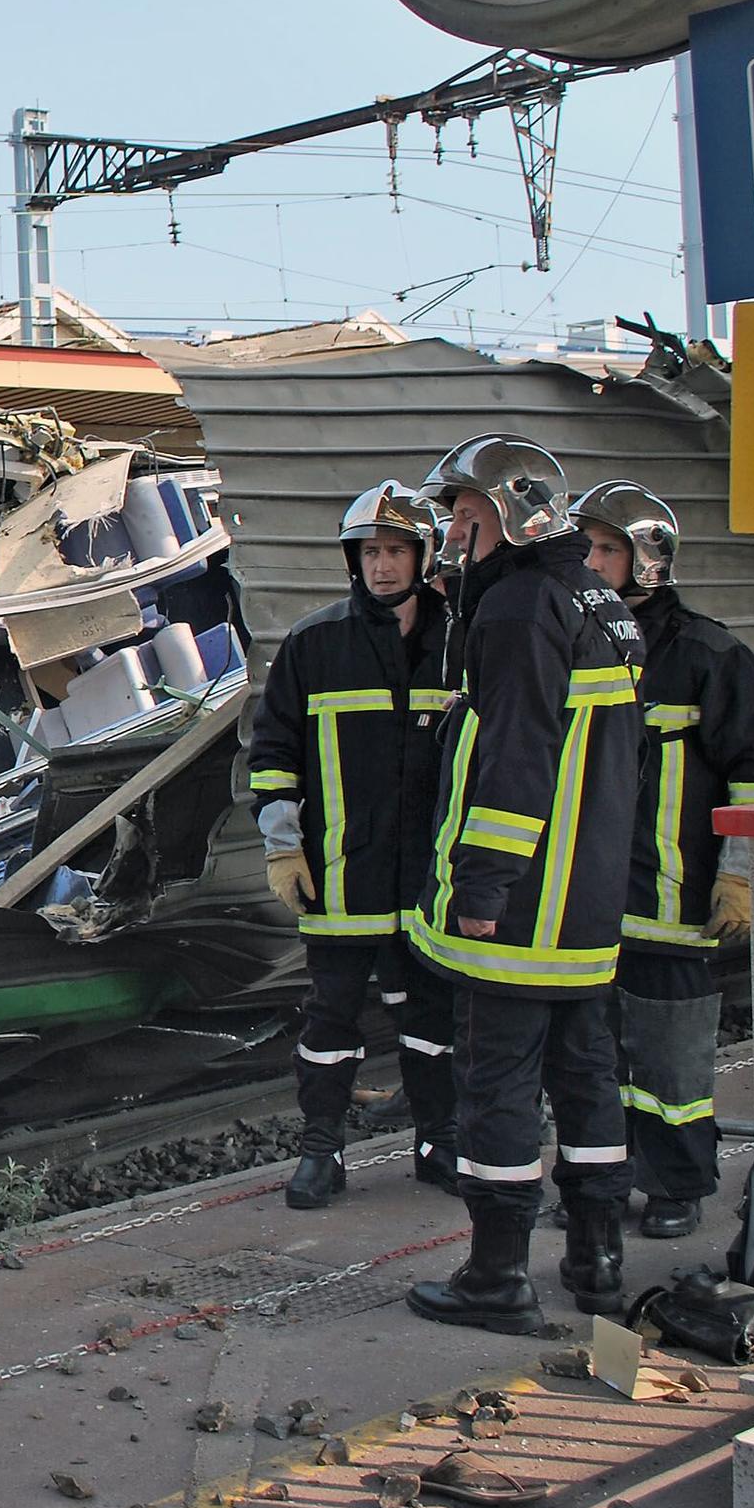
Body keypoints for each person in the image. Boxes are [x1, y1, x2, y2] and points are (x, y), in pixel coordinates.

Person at [403, 435, 647, 1335]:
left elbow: (513, 756)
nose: (451, 531)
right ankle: (597, 1258)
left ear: (513, 515)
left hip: (523, 906)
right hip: (587, 900)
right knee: (588, 1079)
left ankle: (496, 1275)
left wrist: (483, 884)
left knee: (497, 1083)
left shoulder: (515, 607)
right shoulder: (600, 600)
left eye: (465, 513)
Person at [571, 481, 754, 1240]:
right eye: (587, 546)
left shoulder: (705, 652)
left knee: (671, 1067)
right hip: (585, 902)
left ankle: (676, 1185)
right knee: (589, 1057)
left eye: (607, 548)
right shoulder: (570, 639)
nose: (591, 561)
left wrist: (739, 871)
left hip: (671, 899)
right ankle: (599, 1180)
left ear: (649, 562)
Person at [248, 481, 459, 1210]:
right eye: (371, 552)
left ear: (423, 555)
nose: (383, 566)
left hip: (432, 884)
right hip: (341, 877)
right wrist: (283, 846)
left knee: (433, 1021)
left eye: (397, 550)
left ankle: (439, 1140)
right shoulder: (315, 645)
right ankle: (321, 1150)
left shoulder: (461, 644)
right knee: (330, 1020)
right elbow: (272, 755)